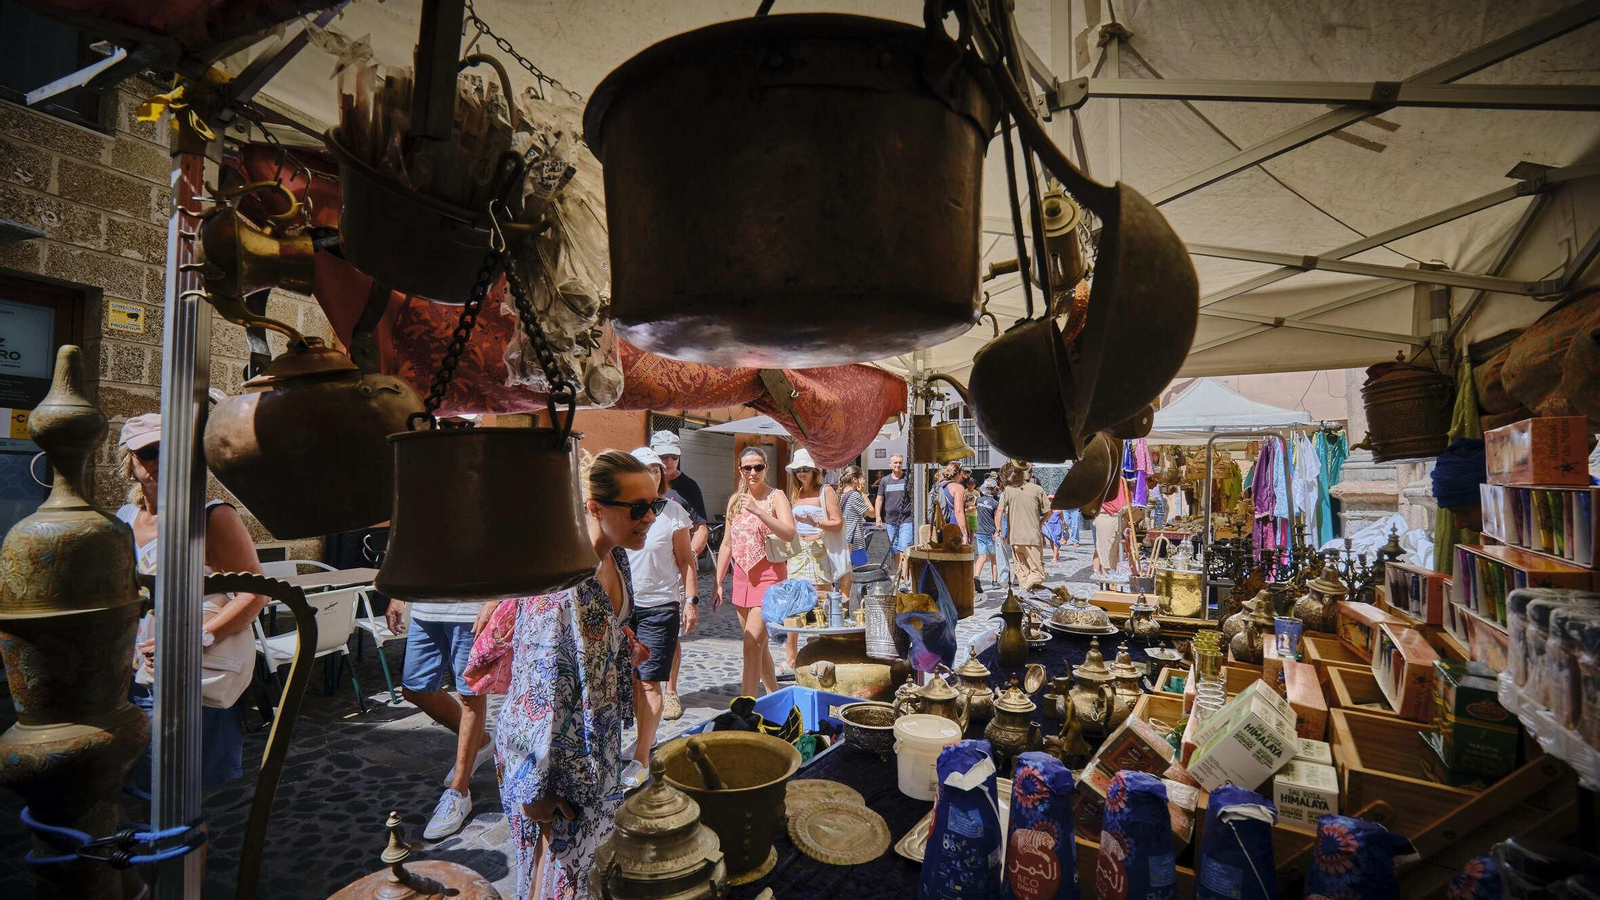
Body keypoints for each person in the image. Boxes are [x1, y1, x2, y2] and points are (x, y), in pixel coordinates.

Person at [497, 449, 661, 899]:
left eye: (655, 504)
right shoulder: (560, 579)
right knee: (554, 880)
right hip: (556, 766)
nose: (650, 517)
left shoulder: (617, 556)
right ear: (594, 507)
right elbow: (536, 685)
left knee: (588, 872)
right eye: (638, 508)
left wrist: (619, 646)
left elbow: (596, 632)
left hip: (598, 744)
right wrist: (535, 787)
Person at [118, 413, 268, 793]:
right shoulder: (123, 519)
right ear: (130, 462)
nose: (160, 460)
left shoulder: (211, 516)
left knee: (175, 799)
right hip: (126, 678)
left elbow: (255, 595)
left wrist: (192, 640)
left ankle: (183, 854)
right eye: (149, 451)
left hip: (190, 677)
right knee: (141, 792)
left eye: (171, 449)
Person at [625, 447, 697, 767]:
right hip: (626, 610)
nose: (654, 474)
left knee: (650, 681)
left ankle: (640, 759)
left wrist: (691, 602)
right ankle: (647, 736)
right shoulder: (622, 510)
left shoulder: (673, 513)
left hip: (660, 607)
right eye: (646, 469)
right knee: (635, 682)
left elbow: (686, 561)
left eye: (657, 469)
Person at [713, 446, 797, 696]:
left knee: (751, 645)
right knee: (759, 648)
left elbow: (789, 533)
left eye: (758, 467)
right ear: (740, 470)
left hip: (770, 578)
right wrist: (718, 582)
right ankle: (776, 697)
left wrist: (759, 511)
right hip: (741, 579)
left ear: (766, 469)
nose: (752, 472)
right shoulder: (735, 501)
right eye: (747, 467)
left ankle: (745, 707)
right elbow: (727, 543)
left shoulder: (776, 496)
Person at [648, 431, 708, 723]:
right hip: (645, 572)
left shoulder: (687, 487)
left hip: (675, 574)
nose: (668, 462)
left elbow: (702, 528)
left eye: (673, 456)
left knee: (672, 633)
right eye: (662, 457)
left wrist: (689, 556)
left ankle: (670, 691)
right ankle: (645, 691)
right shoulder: (639, 486)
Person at [783, 448, 845, 669]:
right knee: (794, 604)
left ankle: (820, 653)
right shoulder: (795, 492)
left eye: (806, 469)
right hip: (798, 553)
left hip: (818, 551)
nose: (802, 472)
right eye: (799, 469)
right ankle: (791, 658)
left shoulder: (825, 491)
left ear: (815, 471)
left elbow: (838, 521)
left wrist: (817, 526)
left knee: (820, 603)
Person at [998, 462, 1050, 592]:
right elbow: (1049, 512)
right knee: (1037, 572)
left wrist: (998, 529)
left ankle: (1024, 597)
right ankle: (1026, 591)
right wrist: (1040, 522)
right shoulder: (1037, 489)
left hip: (1015, 538)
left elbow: (999, 511)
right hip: (1032, 537)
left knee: (1022, 571)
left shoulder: (1008, 491)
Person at [874, 454, 915, 573]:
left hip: (906, 520)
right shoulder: (885, 480)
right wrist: (878, 516)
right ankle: (900, 573)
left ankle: (903, 578)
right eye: (895, 463)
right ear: (890, 464)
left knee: (904, 548)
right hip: (891, 521)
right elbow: (879, 498)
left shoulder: (907, 479)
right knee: (895, 549)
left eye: (900, 463)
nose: (897, 465)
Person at [839, 465, 876, 591]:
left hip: (844, 540)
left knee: (846, 578)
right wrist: (864, 494)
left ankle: (845, 605)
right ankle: (856, 606)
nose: (864, 481)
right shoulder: (854, 496)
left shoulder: (841, 495)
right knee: (862, 577)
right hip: (855, 542)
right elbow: (872, 513)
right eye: (862, 478)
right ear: (855, 480)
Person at [1093, 478, 1131, 578]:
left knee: (1109, 549)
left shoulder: (1118, 480)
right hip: (1108, 515)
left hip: (1112, 515)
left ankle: (1107, 575)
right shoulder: (1114, 480)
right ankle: (1106, 576)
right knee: (1106, 550)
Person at [972, 476, 1003, 591]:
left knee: (981, 557)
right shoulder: (995, 503)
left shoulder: (978, 501)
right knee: (993, 559)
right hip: (990, 533)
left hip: (980, 532)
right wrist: (998, 531)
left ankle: (976, 576)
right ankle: (995, 581)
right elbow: (996, 518)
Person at [928, 460, 968, 544]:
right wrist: (964, 534)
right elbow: (958, 512)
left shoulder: (938, 485)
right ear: (959, 473)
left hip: (938, 529)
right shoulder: (958, 487)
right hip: (953, 530)